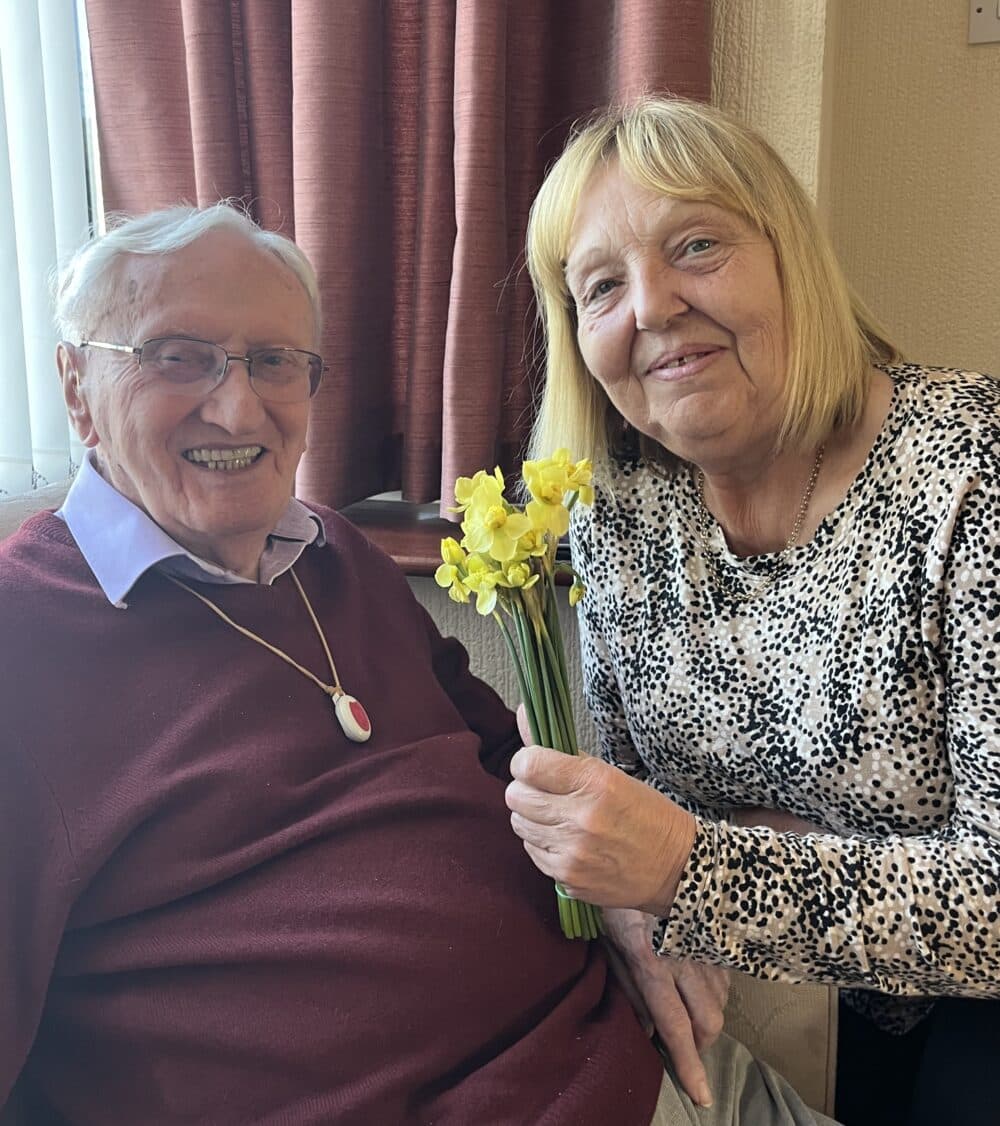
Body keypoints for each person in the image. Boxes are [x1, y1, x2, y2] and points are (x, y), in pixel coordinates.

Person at [0, 203, 836, 1125]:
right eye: (176, 356)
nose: (237, 408)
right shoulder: (24, 647)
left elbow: (511, 766)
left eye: (274, 361)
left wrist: (618, 894)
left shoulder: (335, 557)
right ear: (76, 386)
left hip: (645, 1063)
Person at [509, 95, 1000, 1126]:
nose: (651, 307)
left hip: (966, 1013)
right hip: (745, 992)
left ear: (790, 259)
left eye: (696, 246)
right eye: (602, 286)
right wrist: (629, 900)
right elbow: (634, 794)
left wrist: (689, 867)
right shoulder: (614, 501)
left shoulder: (970, 471)